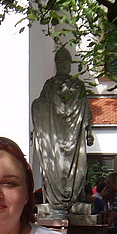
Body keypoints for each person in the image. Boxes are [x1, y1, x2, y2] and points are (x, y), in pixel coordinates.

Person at [31, 47, 92, 215]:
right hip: (55, 138)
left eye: (65, 63)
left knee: (78, 165)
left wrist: (88, 130)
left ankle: (75, 196)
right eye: (60, 63)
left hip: (71, 136)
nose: (63, 66)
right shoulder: (51, 86)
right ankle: (65, 197)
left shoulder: (75, 86)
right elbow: (40, 106)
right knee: (57, 164)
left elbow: (85, 110)